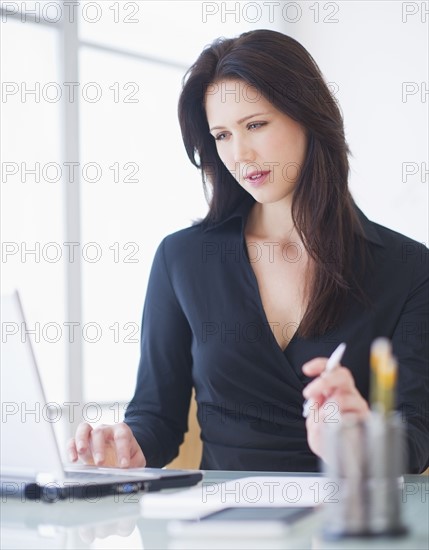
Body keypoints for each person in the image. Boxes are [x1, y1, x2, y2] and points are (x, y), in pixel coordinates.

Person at [68, 30, 429, 473]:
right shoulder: (182, 260)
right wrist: (124, 447)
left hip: (346, 528)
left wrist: (359, 437)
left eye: (255, 125)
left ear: (308, 116)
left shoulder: (407, 268)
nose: (239, 154)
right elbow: (157, 420)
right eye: (221, 135)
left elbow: (414, 438)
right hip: (221, 528)